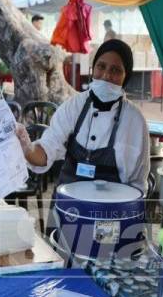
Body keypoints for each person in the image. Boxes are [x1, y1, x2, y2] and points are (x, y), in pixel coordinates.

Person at [16, 39, 150, 194]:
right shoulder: (74, 106)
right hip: (69, 204)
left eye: (115, 70)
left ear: (126, 77)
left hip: (110, 211)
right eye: (101, 66)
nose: (106, 75)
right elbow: (45, 152)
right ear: (93, 69)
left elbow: (137, 185)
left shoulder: (134, 121)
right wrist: (27, 148)